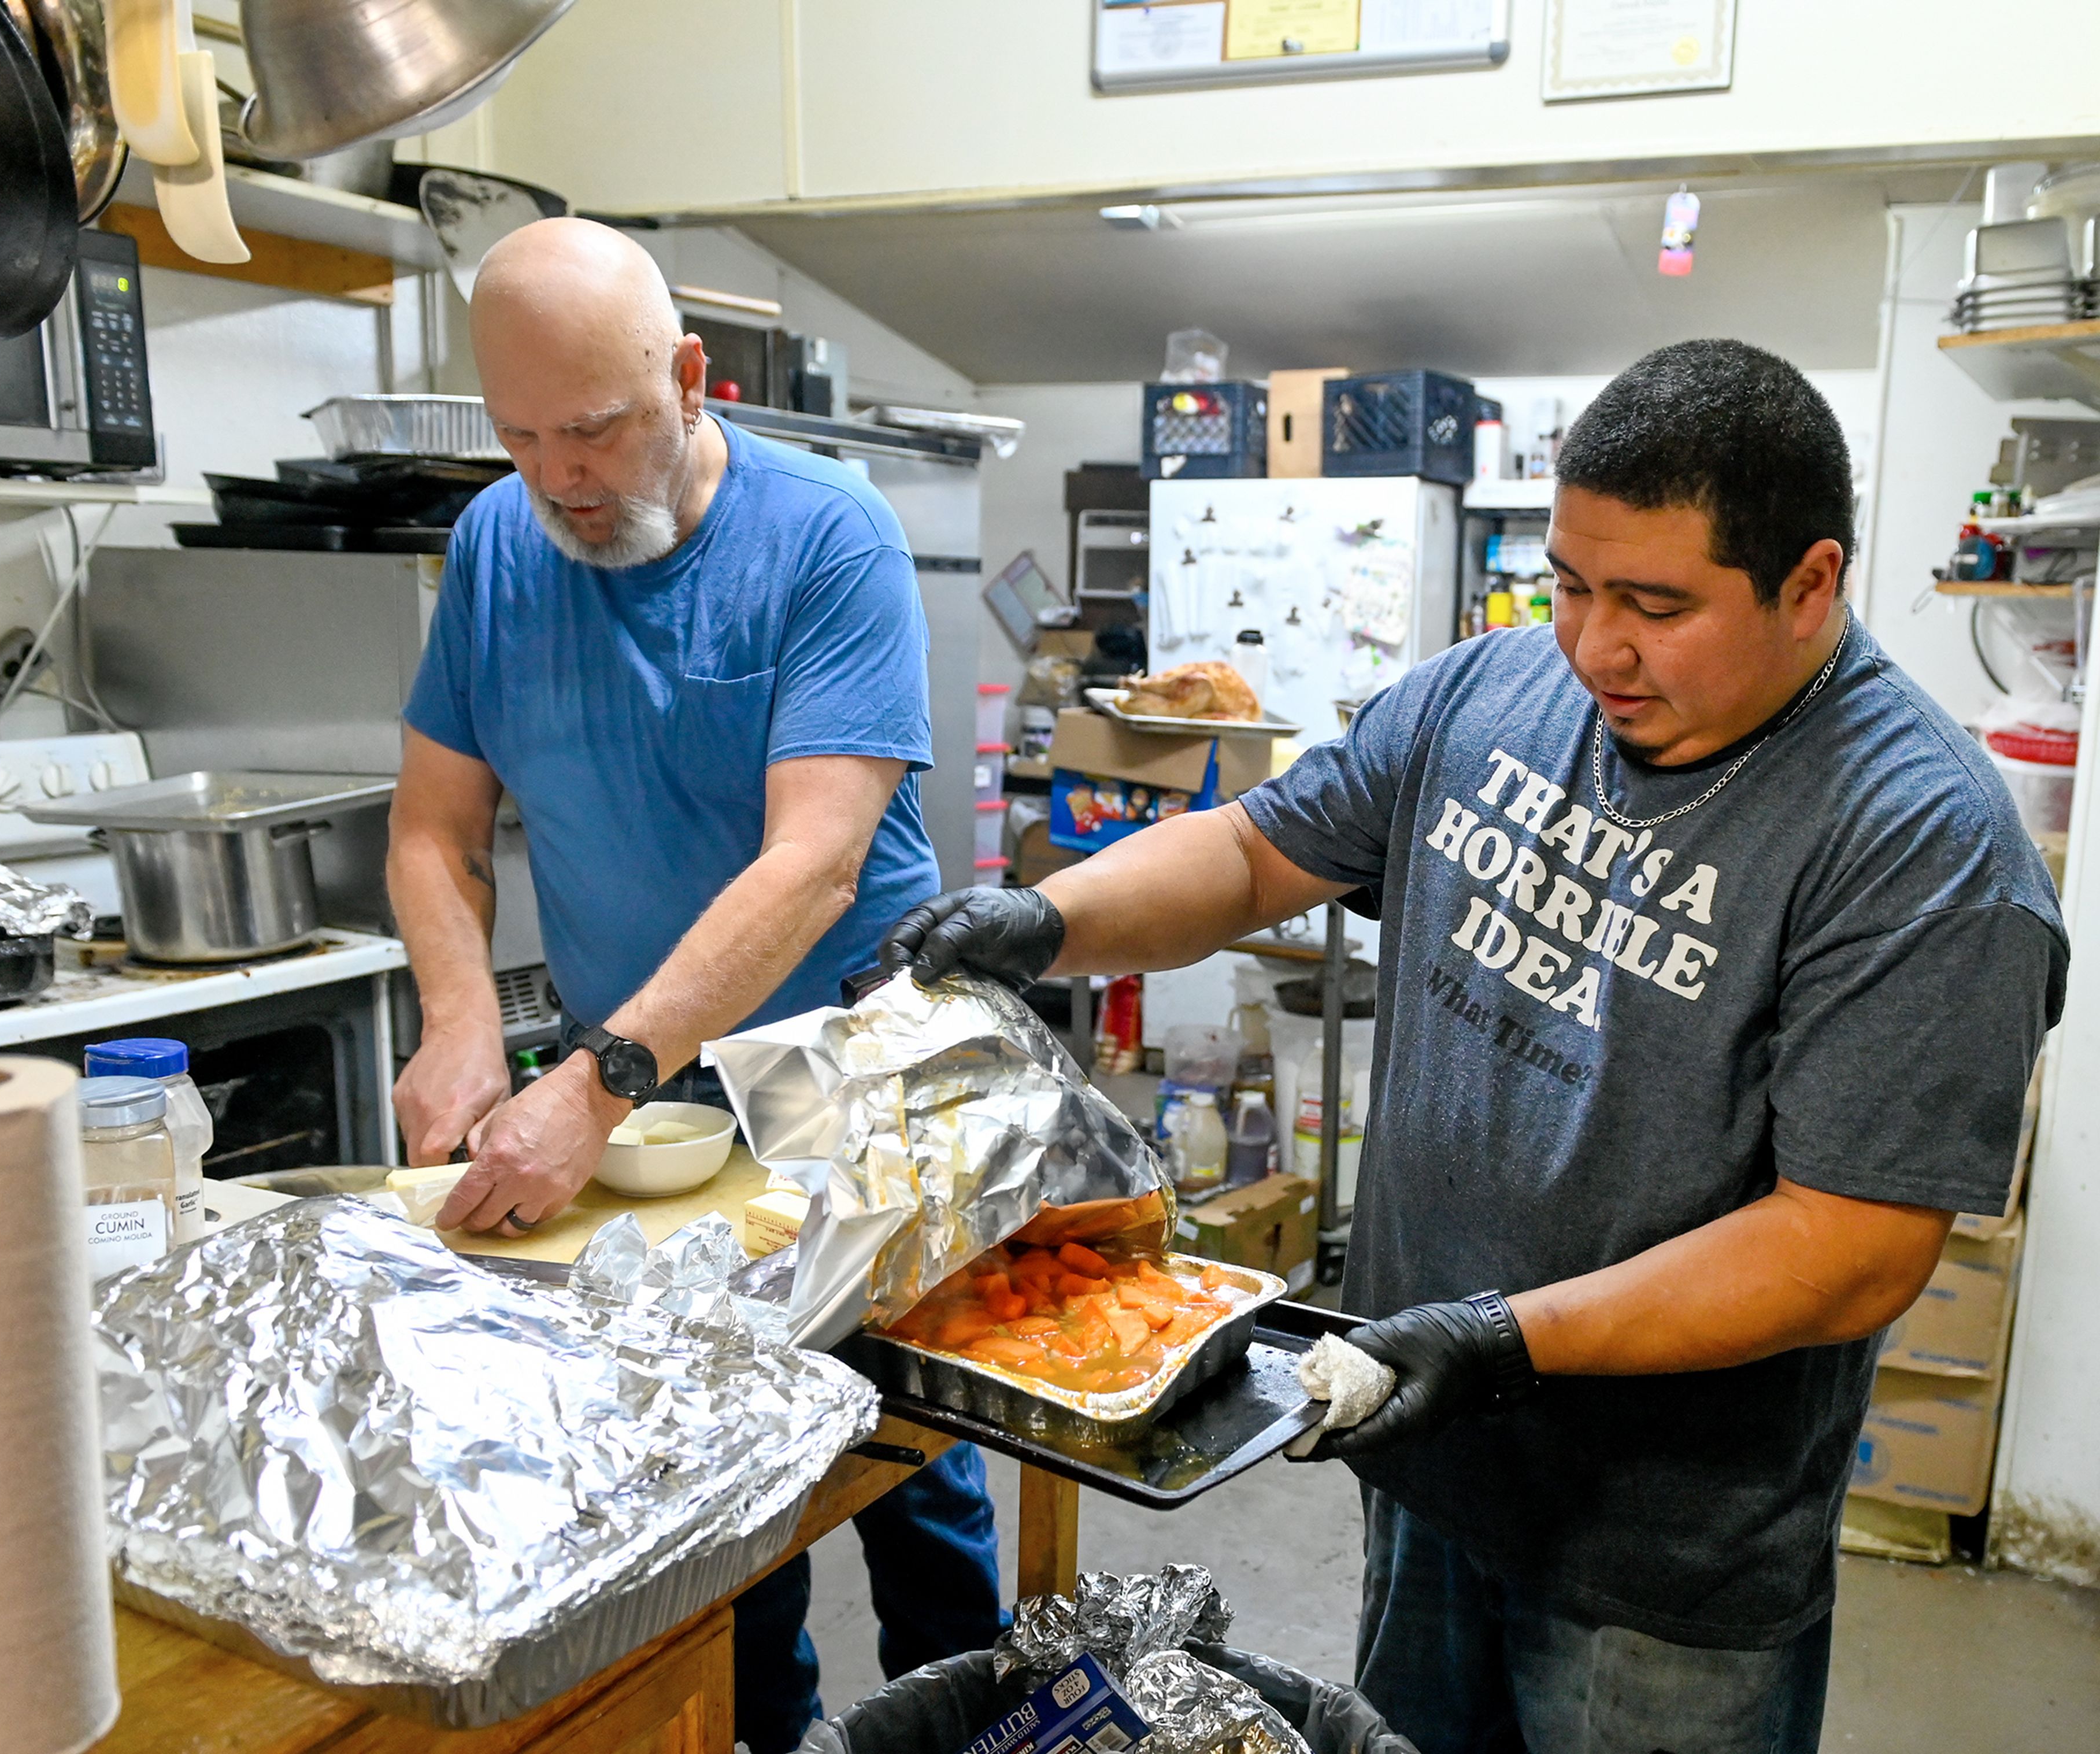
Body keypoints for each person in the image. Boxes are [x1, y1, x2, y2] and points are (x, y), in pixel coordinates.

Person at [880, 340, 2065, 1753]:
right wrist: (1047, 915)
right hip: (1430, 1444)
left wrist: (1509, 1338)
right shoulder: (1492, 693)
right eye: (1571, 583)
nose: (1593, 646)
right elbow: (1260, 854)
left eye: (1656, 604)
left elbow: (1852, 1242)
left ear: (1812, 583)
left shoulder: (1922, 842)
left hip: (1660, 1558)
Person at [386, 217, 999, 1754]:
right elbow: (430, 826)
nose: (563, 479)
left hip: (850, 1063)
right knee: (703, 1467)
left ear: (689, 378)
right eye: (522, 440)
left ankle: (983, 1722)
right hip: (643, 1093)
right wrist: (464, 1016)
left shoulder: (823, 531)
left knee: (910, 1448)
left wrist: (593, 1087)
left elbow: (812, 863)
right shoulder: (496, 544)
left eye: (593, 430)